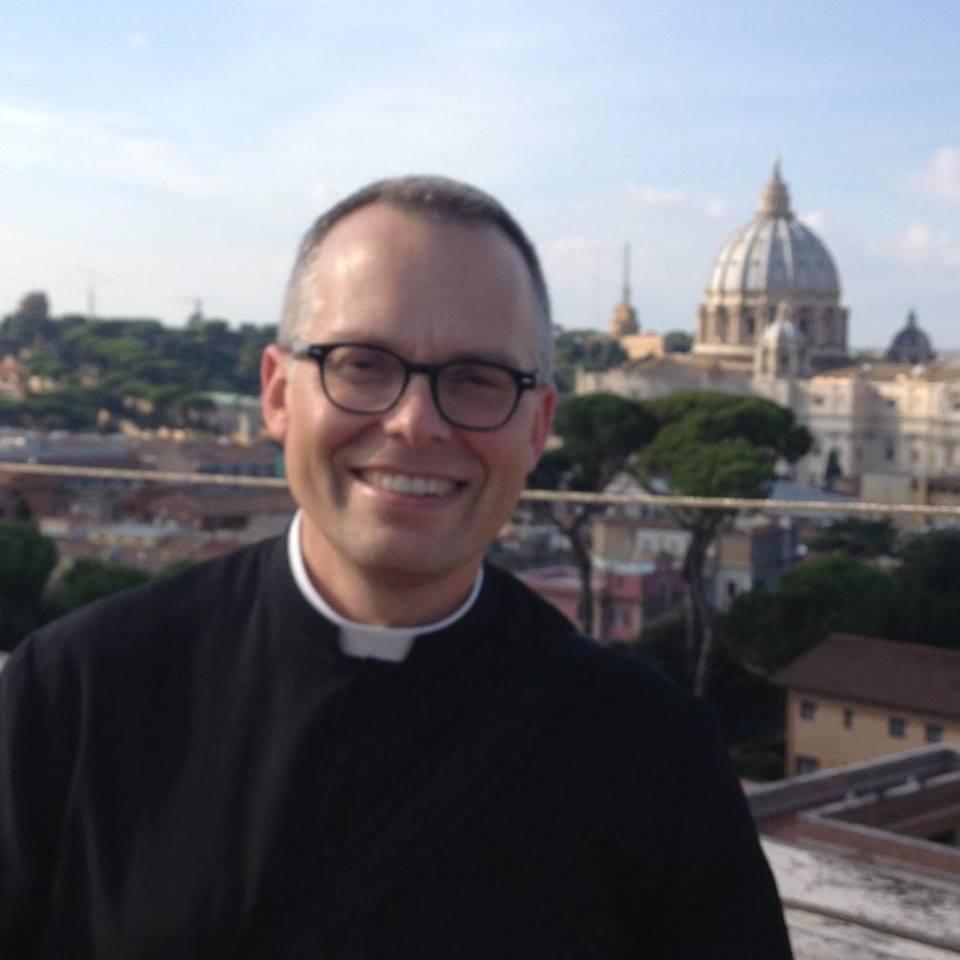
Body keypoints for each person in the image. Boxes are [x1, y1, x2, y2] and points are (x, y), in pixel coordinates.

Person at [0, 176, 793, 958]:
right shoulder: (73, 690)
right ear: (278, 394)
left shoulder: (656, 754)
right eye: (361, 363)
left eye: (478, 380)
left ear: (538, 425)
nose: (415, 422)